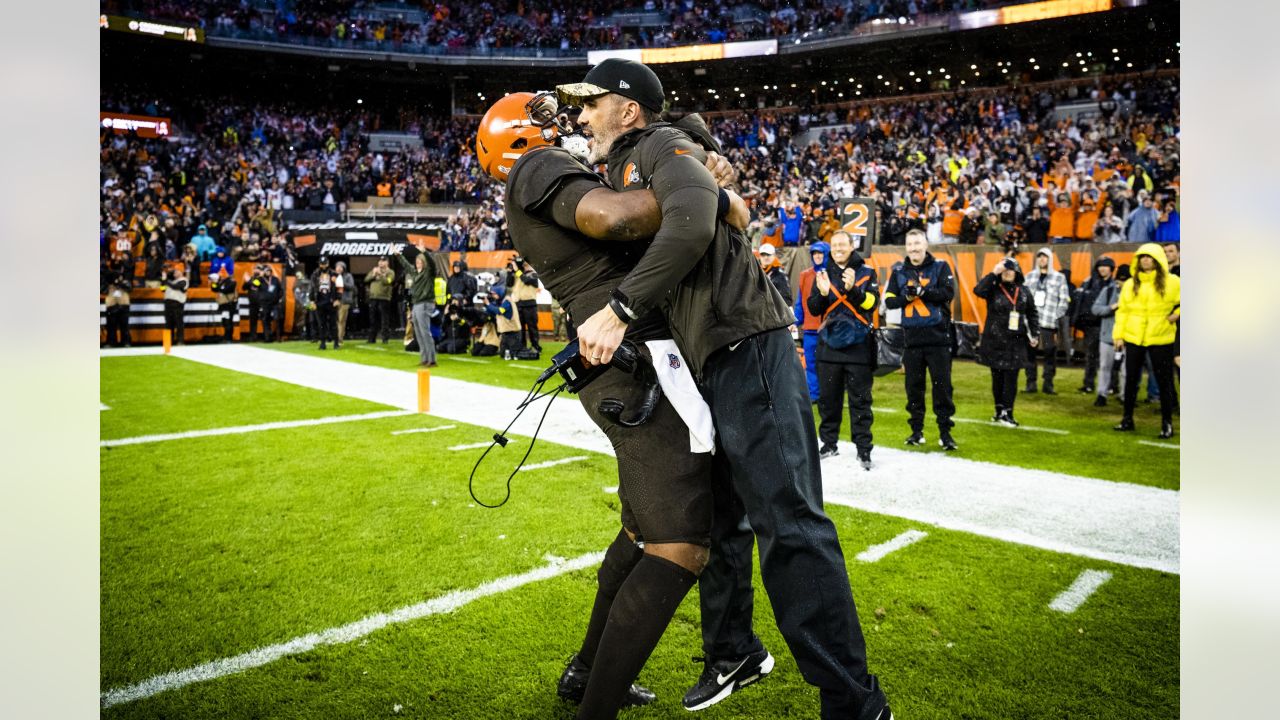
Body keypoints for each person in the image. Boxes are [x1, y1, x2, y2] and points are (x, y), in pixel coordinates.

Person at [564, 59, 892, 720]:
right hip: (715, 355)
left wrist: (619, 310)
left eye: (591, 102)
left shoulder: (657, 144)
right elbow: (716, 209)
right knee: (721, 519)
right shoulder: (633, 160)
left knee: (790, 523)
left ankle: (856, 706)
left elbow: (691, 220)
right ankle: (735, 648)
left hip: (747, 344)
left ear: (628, 109)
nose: (580, 115)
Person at [479, 90, 755, 718]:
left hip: (633, 360)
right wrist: (694, 185)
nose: (575, 121)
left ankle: (585, 674)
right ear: (528, 131)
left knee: (639, 531)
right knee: (678, 543)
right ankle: (594, 709)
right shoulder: (538, 166)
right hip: (633, 363)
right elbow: (617, 220)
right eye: (559, 113)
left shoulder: (545, 173)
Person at [806, 231, 880, 469]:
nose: (838, 248)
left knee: (861, 402)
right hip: (828, 349)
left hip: (859, 348)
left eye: (842, 244)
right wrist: (824, 293)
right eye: (834, 244)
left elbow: (872, 304)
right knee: (828, 401)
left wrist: (853, 290)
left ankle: (863, 449)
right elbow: (814, 309)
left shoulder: (867, 272)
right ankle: (829, 444)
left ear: (851, 246)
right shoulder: (823, 273)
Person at [884, 229, 958, 450]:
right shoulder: (898, 270)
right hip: (912, 339)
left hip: (938, 338)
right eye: (910, 244)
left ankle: (945, 433)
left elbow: (948, 293)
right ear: (905, 247)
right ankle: (916, 431)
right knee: (914, 388)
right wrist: (906, 297)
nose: (914, 248)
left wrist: (923, 292)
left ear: (926, 245)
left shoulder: (941, 266)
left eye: (917, 243)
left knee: (942, 388)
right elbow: (889, 301)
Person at [1113, 243, 1180, 438]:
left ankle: (1167, 423)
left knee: (1164, 382)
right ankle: (1127, 419)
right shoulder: (1130, 284)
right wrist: (1118, 335)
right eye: (1142, 257)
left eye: (1149, 257)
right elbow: (1123, 311)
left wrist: (1177, 313)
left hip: (1161, 337)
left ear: (1158, 259)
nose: (1145, 260)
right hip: (1134, 337)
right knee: (1131, 380)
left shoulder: (1173, 282)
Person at [975, 257, 1040, 426]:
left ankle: (1008, 413)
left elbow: (1032, 313)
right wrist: (994, 272)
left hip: (1016, 341)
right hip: (994, 341)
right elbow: (978, 290)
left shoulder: (1024, 291)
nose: (1008, 272)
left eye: (1011, 269)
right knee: (997, 378)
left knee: (1011, 378)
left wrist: (1035, 334)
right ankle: (998, 411)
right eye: (1004, 269)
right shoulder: (993, 289)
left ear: (1017, 272)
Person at [1023, 247, 1070, 394]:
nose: (1042, 259)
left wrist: (1055, 316)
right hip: (1032, 322)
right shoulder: (1029, 276)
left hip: (1049, 322)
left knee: (1050, 352)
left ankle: (1048, 383)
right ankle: (1031, 383)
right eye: (1040, 257)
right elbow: (1023, 298)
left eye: (1045, 257)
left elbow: (1064, 300)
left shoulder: (1059, 277)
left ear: (1050, 259)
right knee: (1030, 352)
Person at [1072, 257, 1116, 394]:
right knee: (1091, 356)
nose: (1102, 269)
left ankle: (1112, 386)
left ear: (1111, 269)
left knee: (1111, 358)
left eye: (1105, 266)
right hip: (1093, 326)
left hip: (1109, 326)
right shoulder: (1090, 283)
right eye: (1100, 266)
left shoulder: (1115, 285)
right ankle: (1088, 384)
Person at [794, 241, 830, 402]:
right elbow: (800, 300)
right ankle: (814, 395)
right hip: (810, 327)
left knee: (828, 364)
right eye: (814, 253)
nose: (817, 256)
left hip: (829, 328)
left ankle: (828, 394)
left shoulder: (832, 274)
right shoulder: (805, 275)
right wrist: (796, 320)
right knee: (810, 362)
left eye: (820, 253)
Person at [394, 247, 438, 366]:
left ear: (424, 263)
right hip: (416, 304)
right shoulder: (414, 272)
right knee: (418, 333)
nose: (418, 264)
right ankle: (424, 359)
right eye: (417, 262)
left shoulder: (428, 273)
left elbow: (433, 264)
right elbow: (406, 265)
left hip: (425, 303)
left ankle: (432, 359)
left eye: (420, 262)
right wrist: (398, 255)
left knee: (425, 332)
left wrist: (424, 252)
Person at [1090, 262, 1125, 407]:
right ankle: (1101, 394)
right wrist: (1112, 307)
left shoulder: (1137, 293)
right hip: (1108, 336)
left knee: (1126, 370)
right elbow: (1095, 309)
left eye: (1125, 280)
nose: (1122, 283)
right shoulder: (1109, 291)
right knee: (1104, 367)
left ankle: (1125, 396)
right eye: (1120, 280)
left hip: (1127, 336)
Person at [508, 257, 543, 354]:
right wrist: (509, 272)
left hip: (529, 304)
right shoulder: (517, 274)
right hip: (518, 304)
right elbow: (509, 283)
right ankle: (522, 346)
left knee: (532, 327)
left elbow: (526, 280)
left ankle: (536, 346)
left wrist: (517, 270)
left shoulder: (533, 274)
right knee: (520, 328)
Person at [309, 257, 341, 350]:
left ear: (328, 263)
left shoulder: (334, 274)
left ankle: (336, 343)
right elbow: (311, 288)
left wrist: (338, 299)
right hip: (319, 302)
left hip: (331, 302)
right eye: (321, 264)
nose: (323, 265)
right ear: (319, 264)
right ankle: (322, 343)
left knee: (333, 324)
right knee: (321, 324)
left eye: (325, 263)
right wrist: (311, 300)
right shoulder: (315, 274)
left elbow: (340, 287)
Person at [102, 257, 133, 347]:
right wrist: (111, 281)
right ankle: (111, 342)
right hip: (111, 303)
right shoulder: (107, 277)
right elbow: (102, 289)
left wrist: (119, 282)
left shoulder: (126, 275)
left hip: (123, 303)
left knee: (125, 325)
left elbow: (129, 288)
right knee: (111, 326)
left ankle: (126, 342)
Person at [365, 256, 396, 343]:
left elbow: (388, 281)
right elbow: (366, 279)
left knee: (384, 319)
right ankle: (372, 338)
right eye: (380, 261)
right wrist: (373, 274)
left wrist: (381, 275)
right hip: (373, 297)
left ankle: (385, 338)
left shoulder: (391, 272)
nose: (381, 263)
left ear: (387, 263)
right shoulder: (374, 270)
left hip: (384, 298)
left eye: (383, 261)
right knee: (373, 319)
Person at [162, 263, 188, 345]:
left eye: (176, 271)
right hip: (168, 303)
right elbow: (162, 289)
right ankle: (167, 342)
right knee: (168, 324)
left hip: (177, 303)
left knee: (178, 323)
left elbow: (175, 287)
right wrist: (163, 282)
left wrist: (165, 280)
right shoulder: (171, 281)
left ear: (181, 272)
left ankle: (180, 341)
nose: (174, 273)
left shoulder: (184, 280)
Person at [212, 269, 238, 343]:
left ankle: (229, 338)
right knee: (224, 321)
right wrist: (214, 283)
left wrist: (219, 287)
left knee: (228, 321)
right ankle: (226, 337)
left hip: (229, 304)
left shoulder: (232, 281)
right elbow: (214, 289)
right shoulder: (221, 282)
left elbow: (226, 290)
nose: (220, 277)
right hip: (223, 304)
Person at [334, 260, 356, 344]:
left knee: (341, 320)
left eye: (340, 267)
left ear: (344, 268)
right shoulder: (333, 276)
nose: (339, 268)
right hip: (335, 301)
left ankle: (339, 338)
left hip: (345, 301)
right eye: (337, 267)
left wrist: (341, 281)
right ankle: (336, 337)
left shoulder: (348, 276)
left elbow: (351, 287)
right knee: (336, 320)